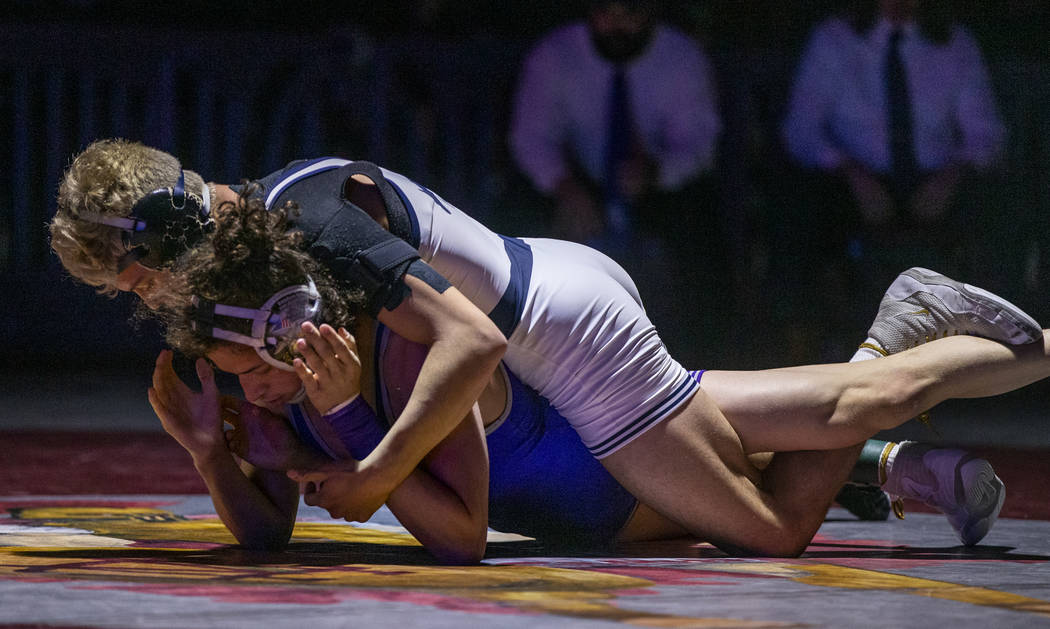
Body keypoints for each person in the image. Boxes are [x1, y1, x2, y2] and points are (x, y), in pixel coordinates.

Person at [51, 139, 1040, 556]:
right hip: (534, 335)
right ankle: (890, 412)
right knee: (760, 438)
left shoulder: (302, 220)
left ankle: (893, 352)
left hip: (554, 333)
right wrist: (215, 444)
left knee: (769, 530)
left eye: (132, 282)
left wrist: (372, 463)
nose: (145, 303)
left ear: (160, 245)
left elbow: (470, 341)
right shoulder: (251, 260)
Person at [780, 0, 1006, 354]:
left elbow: (985, 133)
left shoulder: (953, 43)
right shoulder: (834, 40)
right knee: (798, 208)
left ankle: (992, 351)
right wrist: (851, 172)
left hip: (934, 178)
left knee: (996, 207)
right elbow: (801, 131)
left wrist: (952, 173)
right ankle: (806, 350)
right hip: (852, 176)